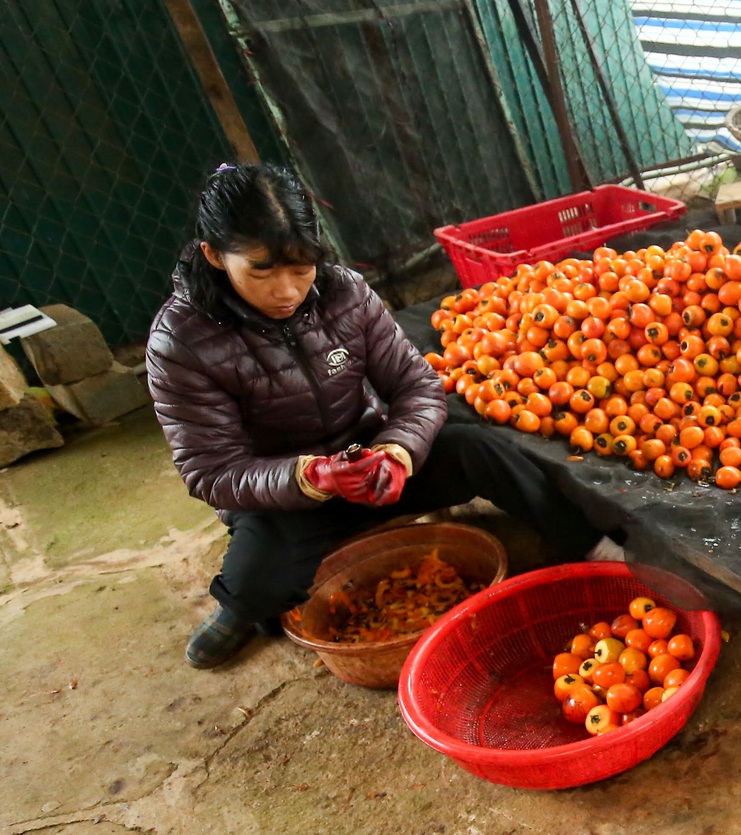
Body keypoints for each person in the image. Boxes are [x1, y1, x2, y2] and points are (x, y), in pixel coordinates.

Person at [149, 164, 604, 668]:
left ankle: (593, 547)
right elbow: (210, 470)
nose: (287, 292)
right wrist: (313, 476)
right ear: (215, 256)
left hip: (370, 462)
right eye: (262, 271)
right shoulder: (181, 341)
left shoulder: (344, 293)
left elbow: (416, 385)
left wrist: (396, 452)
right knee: (255, 590)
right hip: (284, 498)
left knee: (483, 449)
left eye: (302, 269)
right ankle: (240, 606)